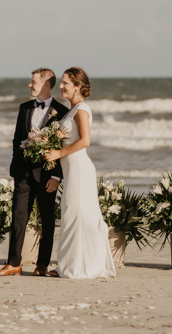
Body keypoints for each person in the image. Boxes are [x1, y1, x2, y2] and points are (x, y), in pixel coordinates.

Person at [0, 68, 69, 277]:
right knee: (18, 217)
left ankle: (42, 264)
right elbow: (17, 139)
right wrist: (15, 167)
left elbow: (63, 146)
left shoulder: (61, 112)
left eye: (33, 82)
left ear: (45, 84)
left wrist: (56, 176)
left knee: (47, 220)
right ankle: (13, 263)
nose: (29, 85)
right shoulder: (24, 108)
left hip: (47, 174)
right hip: (23, 173)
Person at [44, 67, 116, 279]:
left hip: (80, 171)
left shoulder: (82, 109)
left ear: (78, 87)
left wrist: (58, 152)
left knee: (78, 215)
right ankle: (68, 265)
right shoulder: (71, 110)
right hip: (71, 170)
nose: (62, 86)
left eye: (66, 83)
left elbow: (85, 141)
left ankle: (82, 267)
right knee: (71, 215)